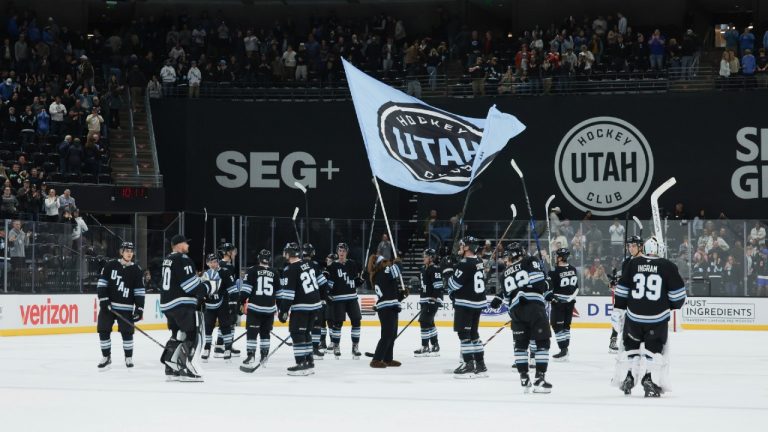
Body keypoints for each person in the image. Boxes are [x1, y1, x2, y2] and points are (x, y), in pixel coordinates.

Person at [612, 236, 687, 397]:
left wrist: (618, 309)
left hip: (633, 318)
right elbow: (679, 296)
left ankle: (629, 377)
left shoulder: (633, 264)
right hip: (657, 319)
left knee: (631, 349)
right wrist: (670, 306)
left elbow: (622, 290)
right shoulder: (668, 266)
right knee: (654, 352)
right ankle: (649, 379)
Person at [490, 242, 552, 392]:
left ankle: (524, 378)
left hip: (516, 312)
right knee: (542, 342)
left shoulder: (503, 274)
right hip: (534, 307)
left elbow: (506, 299)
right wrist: (547, 281)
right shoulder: (530, 260)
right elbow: (539, 284)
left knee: (520, 345)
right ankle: (539, 379)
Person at [159, 234, 211, 382]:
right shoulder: (183, 259)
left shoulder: (168, 259)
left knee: (178, 335)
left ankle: (171, 368)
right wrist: (208, 286)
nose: (188, 246)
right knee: (193, 335)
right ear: (179, 245)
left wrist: (198, 281)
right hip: (181, 304)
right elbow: (190, 287)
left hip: (168, 305)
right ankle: (187, 368)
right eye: (186, 244)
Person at [95, 242, 145, 370]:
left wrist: (139, 308)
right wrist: (104, 300)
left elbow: (139, 292)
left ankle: (128, 357)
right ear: (121, 252)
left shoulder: (137, 270)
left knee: (127, 333)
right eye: (127, 250)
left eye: (131, 251)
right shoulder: (110, 265)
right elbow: (101, 284)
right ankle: (106, 357)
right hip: (109, 307)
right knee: (103, 330)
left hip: (126, 308)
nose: (129, 253)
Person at [276, 242, 322, 376]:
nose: (284, 254)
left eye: (285, 251)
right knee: (306, 333)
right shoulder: (309, 265)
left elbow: (289, 294)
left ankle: (301, 363)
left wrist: (283, 311)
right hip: (315, 305)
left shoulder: (290, 269)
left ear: (289, 253)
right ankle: (309, 361)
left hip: (302, 306)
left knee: (297, 333)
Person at [446, 236, 489, 378]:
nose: (460, 247)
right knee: (473, 334)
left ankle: (469, 364)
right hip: (478, 303)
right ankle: (481, 364)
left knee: (464, 334)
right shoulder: (479, 261)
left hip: (466, 303)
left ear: (467, 248)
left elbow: (453, 285)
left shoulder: (464, 264)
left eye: (462, 245)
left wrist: (447, 272)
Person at [240, 249, 278, 370]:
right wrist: (283, 308)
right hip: (270, 309)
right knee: (265, 334)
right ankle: (264, 356)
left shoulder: (252, 271)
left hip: (255, 308)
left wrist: (240, 302)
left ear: (259, 258)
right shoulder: (275, 272)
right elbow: (281, 292)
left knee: (252, 333)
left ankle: (251, 355)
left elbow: (246, 290)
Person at [326, 242, 365, 359]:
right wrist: (327, 293)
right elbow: (330, 283)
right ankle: (336, 346)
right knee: (338, 323)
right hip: (338, 299)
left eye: (343, 251)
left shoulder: (352, 264)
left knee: (357, 321)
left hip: (352, 298)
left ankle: (355, 347)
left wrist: (360, 280)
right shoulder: (332, 266)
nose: (341, 253)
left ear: (347, 252)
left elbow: (354, 279)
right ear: (337, 252)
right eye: (340, 251)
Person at [200, 253, 237, 362]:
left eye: (215, 261)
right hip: (209, 305)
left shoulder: (225, 272)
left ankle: (227, 349)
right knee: (208, 327)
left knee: (225, 326)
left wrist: (234, 304)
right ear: (207, 263)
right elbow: (201, 291)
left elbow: (233, 289)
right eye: (211, 262)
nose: (213, 264)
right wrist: (200, 300)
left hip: (223, 304)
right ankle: (207, 348)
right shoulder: (205, 274)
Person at [608, 235, 643, 353]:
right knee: (618, 316)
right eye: (629, 246)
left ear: (640, 246)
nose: (630, 248)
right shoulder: (627, 262)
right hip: (625, 296)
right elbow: (624, 279)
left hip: (639, 297)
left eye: (633, 246)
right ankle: (613, 341)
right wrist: (616, 282)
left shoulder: (644, 261)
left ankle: (635, 343)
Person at [369, 255, 404, 368]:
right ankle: (376, 360)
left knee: (392, 335)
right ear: (380, 264)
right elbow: (397, 270)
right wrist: (397, 262)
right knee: (387, 335)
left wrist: (401, 296)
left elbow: (390, 293)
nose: (388, 262)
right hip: (387, 308)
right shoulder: (384, 271)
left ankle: (388, 359)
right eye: (385, 261)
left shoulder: (380, 275)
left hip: (389, 307)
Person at [548, 248, 579, 361]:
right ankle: (565, 349)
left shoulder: (555, 271)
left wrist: (548, 274)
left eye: (557, 256)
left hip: (559, 302)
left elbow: (549, 287)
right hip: (570, 303)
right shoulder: (573, 269)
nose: (555, 258)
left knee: (557, 326)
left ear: (560, 258)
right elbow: (576, 288)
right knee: (566, 326)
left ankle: (563, 350)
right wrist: (570, 299)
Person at [211, 242, 240, 357]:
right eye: (233, 251)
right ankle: (221, 345)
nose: (235, 253)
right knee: (228, 322)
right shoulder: (226, 266)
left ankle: (223, 345)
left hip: (223, 297)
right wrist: (234, 300)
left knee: (228, 322)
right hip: (227, 298)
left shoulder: (221, 264)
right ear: (228, 252)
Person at [414, 248, 443, 357]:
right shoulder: (423, 269)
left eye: (425, 256)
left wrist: (434, 299)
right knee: (429, 322)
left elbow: (438, 286)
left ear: (431, 258)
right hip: (424, 300)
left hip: (432, 300)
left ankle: (425, 346)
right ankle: (435, 345)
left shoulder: (435, 269)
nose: (423, 258)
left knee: (424, 321)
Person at [301, 243, 329, 359]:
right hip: (315, 299)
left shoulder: (297, 264)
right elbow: (323, 284)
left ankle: (304, 348)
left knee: (303, 326)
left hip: (301, 300)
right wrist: (324, 298)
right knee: (316, 325)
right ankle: (314, 348)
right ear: (312, 253)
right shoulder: (315, 265)